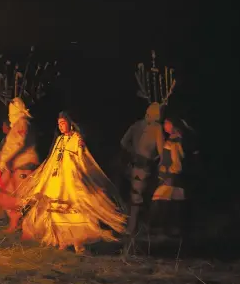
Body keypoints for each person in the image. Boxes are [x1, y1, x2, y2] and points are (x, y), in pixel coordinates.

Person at [16, 112, 126, 254]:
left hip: (71, 180)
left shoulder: (77, 138)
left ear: (70, 123)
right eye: (59, 124)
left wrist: (79, 174)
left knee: (74, 208)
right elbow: (52, 160)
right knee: (53, 210)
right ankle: (61, 240)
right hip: (56, 179)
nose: (61, 126)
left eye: (63, 123)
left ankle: (78, 242)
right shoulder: (59, 140)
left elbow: (82, 158)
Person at [0, 98, 40, 233]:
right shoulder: (16, 125)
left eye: (11, 111)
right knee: (6, 195)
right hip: (13, 166)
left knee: (22, 198)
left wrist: (6, 160)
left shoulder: (23, 123)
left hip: (24, 165)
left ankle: (27, 227)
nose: (9, 115)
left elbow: (20, 143)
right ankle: (14, 224)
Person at [120, 102, 165, 235]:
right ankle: (133, 228)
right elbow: (162, 152)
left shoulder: (138, 125)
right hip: (143, 165)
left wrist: (133, 151)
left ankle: (135, 227)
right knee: (138, 197)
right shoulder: (156, 128)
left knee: (137, 196)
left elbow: (123, 142)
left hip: (139, 164)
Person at [149, 117, 186, 237]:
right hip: (172, 178)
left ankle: (160, 229)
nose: (164, 125)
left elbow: (177, 162)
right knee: (174, 203)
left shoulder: (174, 140)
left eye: (166, 123)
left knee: (159, 200)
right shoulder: (173, 138)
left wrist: (168, 171)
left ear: (172, 125)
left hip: (170, 178)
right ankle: (173, 230)